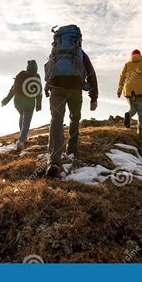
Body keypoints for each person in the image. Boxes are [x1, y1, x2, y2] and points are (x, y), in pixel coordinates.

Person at [44, 25, 98, 178]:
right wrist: (94, 97)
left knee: (56, 119)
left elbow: (49, 70)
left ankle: (54, 161)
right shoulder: (80, 54)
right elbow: (92, 75)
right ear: (78, 40)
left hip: (56, 88)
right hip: (75, 89)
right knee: (74, 118)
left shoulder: (55, 52)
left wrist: (47, 88)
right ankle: (72, 149)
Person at [1, 60, 42, 151]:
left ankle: (22, 136)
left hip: (18, 102)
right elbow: (39, 92)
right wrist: (38, 104)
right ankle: (21, 140)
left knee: (22, 116)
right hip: (29, 103)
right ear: (36, 68)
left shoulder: (21, 75)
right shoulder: (36, 76)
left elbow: (12, 90)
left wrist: (5, 101)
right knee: (26, 122)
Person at [117, 49, 142, 136]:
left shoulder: (127, 64)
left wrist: (119, 91)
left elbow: (122, 77)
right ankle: (140, 129)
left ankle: (128, 115)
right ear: (140, 55)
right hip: (139, 89)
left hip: (128, 89)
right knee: (141, 110)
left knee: (133, 108)